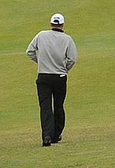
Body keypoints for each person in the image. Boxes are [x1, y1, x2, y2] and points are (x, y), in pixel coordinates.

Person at [26, 13, 77, 147]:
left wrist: (40, 62)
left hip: (43, 76)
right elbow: (72, 59)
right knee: (59, 105)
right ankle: (56, 135)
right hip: (59, 77)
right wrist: (65, 68)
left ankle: (47, 136)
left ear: (50, 24)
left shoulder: (41, 35)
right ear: (62, 24)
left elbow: (30, 51)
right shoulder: (67, 39)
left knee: (45, 107)